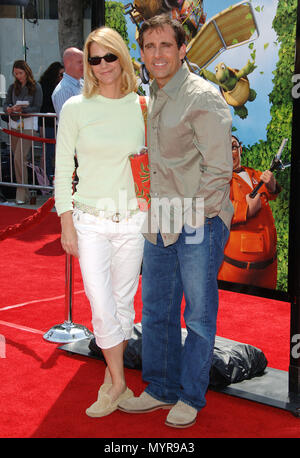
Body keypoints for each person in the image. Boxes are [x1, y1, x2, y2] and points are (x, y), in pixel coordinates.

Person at [118, 14, 233, 428]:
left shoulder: (203, 96)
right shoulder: (151, 95)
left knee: (198, 316)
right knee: (156, 310)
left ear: (182, 49)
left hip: (199, 218)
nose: (157, 54)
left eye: (166, 45)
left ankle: (189, 396)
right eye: (149, 47)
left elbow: (219, 170)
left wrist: (192, 219)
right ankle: (160, 388)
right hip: (159, 219)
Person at [54, 26, 146, 418]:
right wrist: (66, 222)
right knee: (102, 304)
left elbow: (153, 162)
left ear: (121, 58)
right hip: (90, 220)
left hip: (133, 222)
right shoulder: (76, 108)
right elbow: (61, 171)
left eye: (110, 56)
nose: (103, 65)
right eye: (95, 59)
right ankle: (120, 382)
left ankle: (112, 381)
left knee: (124, 305)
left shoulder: (143, 105)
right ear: (87, 65)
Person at [218, 135, 281, 289]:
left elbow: (272, 193)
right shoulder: (219, 180)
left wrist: (272, 186)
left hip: (268, 270)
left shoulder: (254, 173)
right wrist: (247, 209)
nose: (229, 152)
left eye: (233, 146)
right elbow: (217, 209)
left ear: (240, 149)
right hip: (236, 271)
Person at [3, 60, 43, 204]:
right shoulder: (13, 87)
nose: (18, 76)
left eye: (20, 73)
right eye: (15, 74)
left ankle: (21, 191)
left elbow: (37, 107)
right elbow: (6, 102)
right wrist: (9, 108)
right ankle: (24, 191)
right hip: (14, 125)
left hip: (28, 125)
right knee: (19, 159)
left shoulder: (36, 87)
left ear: (26, 71)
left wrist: (23, 110)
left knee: (19, 158)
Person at [39, 62, 64, 184]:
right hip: (47, 123)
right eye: (60, 74)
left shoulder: (61, 86)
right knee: (48, 152)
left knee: (56, 152)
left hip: (57, 123)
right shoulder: (45, 86)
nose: (62, 77)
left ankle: (53, 178)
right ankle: (46, 179)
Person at [51, 47, 84, 118]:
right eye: (80, 62)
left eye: (84, 62)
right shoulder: (63, 90)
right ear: (68, 63)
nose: (84, 65)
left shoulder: (83, 84)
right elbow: (68, 121)